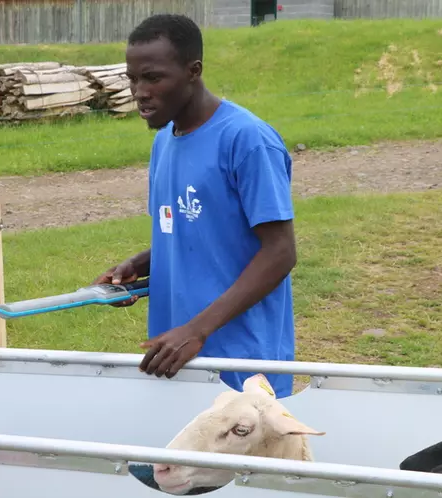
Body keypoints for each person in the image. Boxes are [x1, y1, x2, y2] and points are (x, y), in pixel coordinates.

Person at [92, 14, 297, 398]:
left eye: (153, 78)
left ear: (193, 71)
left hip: (242, 362)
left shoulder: (248, 140)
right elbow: (191, 231)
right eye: (133, 79)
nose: (140, 91)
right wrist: (140, 264)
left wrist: (198, 329)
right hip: (176, 354)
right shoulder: (164, 141)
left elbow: (280, 252)